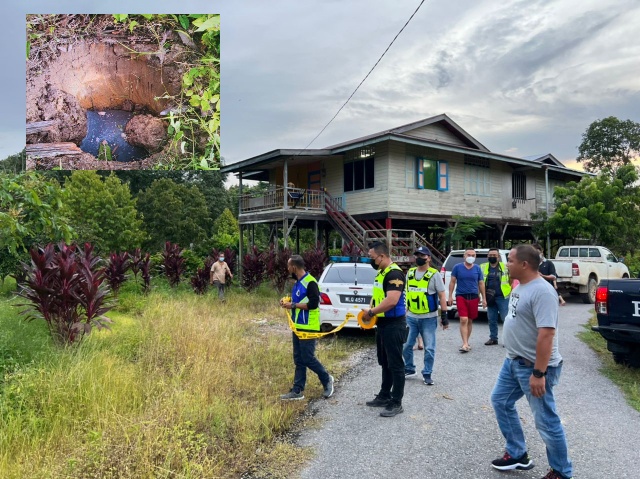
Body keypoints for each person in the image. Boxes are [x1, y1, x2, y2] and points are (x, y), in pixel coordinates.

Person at [490, 244, 573, 479]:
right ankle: (517, 454)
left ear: (524, 264)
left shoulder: (543, 291)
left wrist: (539, 373)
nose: (506, 264)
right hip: (514, 362)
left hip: (533, 367)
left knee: (546, 420)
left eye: (511, 260)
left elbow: (546, 334)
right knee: (500, 401)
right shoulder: (521, 285)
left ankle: (562, 471)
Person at [279, 255, 334, 401]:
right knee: (299, 359)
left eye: (288, 266)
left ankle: (327, 379)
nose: (287, 268)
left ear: (294, 267)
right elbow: (299, 300)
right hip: (298, 326)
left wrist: (293, 305)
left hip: (308, 327)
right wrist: (288, 301)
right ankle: (298, 390)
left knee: (308, 358)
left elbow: (313, 304)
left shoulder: (310, 283)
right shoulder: (298, 282)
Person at [364, 242, 407, 417]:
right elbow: (378, 297)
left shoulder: (394, 274)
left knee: (395, 364)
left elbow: (392, 301)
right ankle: (384, 395)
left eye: (372, 257)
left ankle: (396, 402)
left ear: (382, 256)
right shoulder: (381, 273)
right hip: (382, 324)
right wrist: (371, 312)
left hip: (394, 324)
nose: (371, 260)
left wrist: (371, 312)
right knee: (384, 362)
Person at [403, 246, 449, 385]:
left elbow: (441, 295)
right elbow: (406, 293)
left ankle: (427, 373)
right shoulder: (410, 273)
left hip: (428, 318)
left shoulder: (434, 274)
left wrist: (444, 315)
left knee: (429, 348)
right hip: (411, 317)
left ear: (429, 258)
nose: (419, 258)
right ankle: (410, 368)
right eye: (417, 255)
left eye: (422, 256)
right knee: (406, 345)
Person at [447, 247, 486, 353]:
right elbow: (452, 282)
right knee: (463, 319)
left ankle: (466, 342)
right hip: (461, 296)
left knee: (469, 320)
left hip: (474, 296)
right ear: (464, 256)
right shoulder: (457, 267)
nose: (471, 257)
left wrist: (484, 298)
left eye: (473, 255)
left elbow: (481, 283)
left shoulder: (477, 268)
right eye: (468, 255)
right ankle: (464, 343)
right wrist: (450, 296)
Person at [480, 248, 512, 346]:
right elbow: (480, 283)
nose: (492, 257)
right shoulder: (483, 267)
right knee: (491, 319)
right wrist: (483, 298)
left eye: (495, 255)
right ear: (487, 256)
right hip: (490, 297)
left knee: (505, 319)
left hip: (503, 297)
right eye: (491, 255)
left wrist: (510, 291)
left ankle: (508, 340)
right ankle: (493, 338)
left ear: (498, 257)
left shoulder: (505, 267)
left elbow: (511, 279)